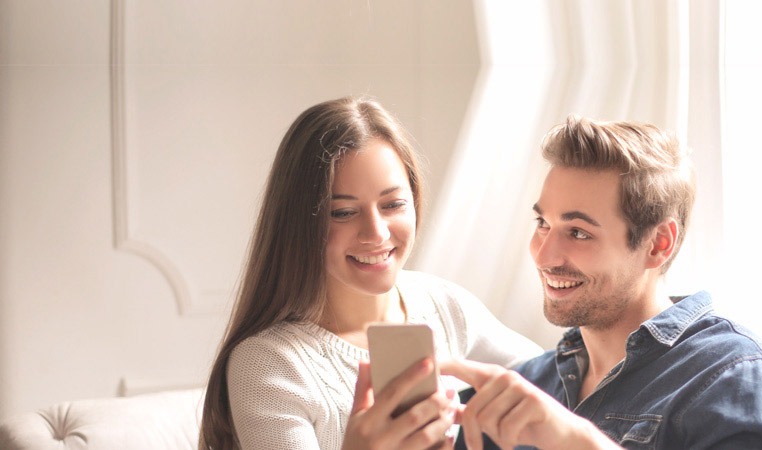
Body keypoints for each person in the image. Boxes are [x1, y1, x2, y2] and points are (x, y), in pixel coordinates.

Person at [442, 115, 762, 449]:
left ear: (658, 244)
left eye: (578, 232)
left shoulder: (736, 378)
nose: (544, 255)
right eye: (543, 224)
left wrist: (579, 442)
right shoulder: (528, 385)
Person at [198, 97, 542, 450]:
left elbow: (561, 387)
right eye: (344, 212)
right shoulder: (269, 364)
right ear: (300, 222)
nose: (376, 233)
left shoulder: (443, 304)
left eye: (393, 205)